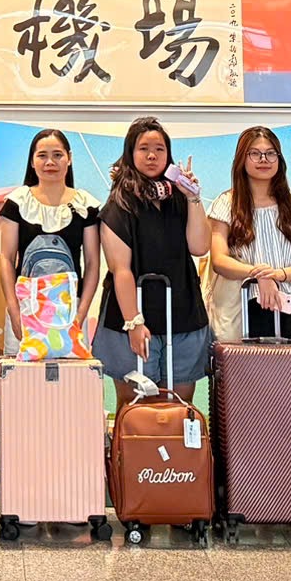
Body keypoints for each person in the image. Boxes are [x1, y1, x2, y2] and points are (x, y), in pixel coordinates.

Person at [94, 116, 214, 395]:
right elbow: (120, 269)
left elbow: (199, 247)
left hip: (182, 313)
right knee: (136, 406)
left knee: (179, 405)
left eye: (159, 149)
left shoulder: (180, 198)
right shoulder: (119, 203)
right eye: (143, 148)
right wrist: (134, 323)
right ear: (130, 153)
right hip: (131, 317)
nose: (152, 155)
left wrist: (193, 197)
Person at [206, 126, 291, 341]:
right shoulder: (226, 204)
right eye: (255, 153)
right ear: (242, 159)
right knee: (254, 364)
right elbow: (219, 261)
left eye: (270, 153)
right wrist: (258, 275)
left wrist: (275, 275)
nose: (264, 159)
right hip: (248, 306)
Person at [0, 127, 101, 339]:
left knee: (70, 362)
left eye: (57, 155)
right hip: (26, 309)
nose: (50, 162)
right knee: (22, 362)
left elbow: (92, 264)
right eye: (42, 155)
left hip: (70, 311)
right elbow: (6, 259)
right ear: (32, 161)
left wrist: (80, 314)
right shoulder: (17, 202)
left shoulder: (85, 205)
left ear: (69, 158)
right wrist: (14, 311)